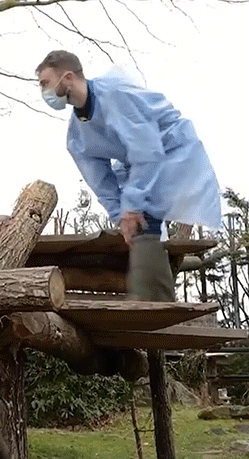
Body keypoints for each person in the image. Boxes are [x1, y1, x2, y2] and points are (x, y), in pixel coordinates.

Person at [35, 50, 221, 302]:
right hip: (137, 163)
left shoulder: (115, 96)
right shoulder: (77, 136)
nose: (43, 91)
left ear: (68, 77)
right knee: (137, 225)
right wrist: (119, 215)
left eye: (45, 83)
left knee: (145, 220)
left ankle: (154, 304)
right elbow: (100, 181)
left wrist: (132, 207)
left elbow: (147, 149)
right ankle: (152, 299)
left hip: (170, 149)